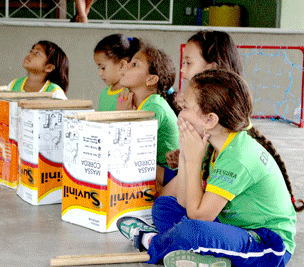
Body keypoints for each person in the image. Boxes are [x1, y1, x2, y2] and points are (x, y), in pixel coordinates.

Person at [116, 69, 303, 267]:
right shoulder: (212, 142)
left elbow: (199, 216)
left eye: (185, 107)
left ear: (210, 120)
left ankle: (150, 241)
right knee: (165, 207)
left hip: (267, 243)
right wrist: (188, 156)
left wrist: (194, 160)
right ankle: (207, 258)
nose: (180, 114)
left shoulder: (238, 156)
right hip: (232, 228)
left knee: (192, 230)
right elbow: (183, 202)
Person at [165, 30, 243, 182]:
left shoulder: (219, 115)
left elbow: (194, 202)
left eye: (188, 63)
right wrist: (183, 155)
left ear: (211, 68)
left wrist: (188, 160)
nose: (182, 69)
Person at [116, 41, 179, 191]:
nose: (126, 67)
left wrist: (121, 115)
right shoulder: (136, 102)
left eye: (134, 65)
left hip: (172, 174)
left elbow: (127, 147)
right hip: (157, 171)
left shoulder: (154, 106)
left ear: (151, 79)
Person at [94, 34, 141, 111]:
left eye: (103, 68)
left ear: (122, 65)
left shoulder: (128, 95)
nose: (100, 73)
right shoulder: (104, 93)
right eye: (98, 68)